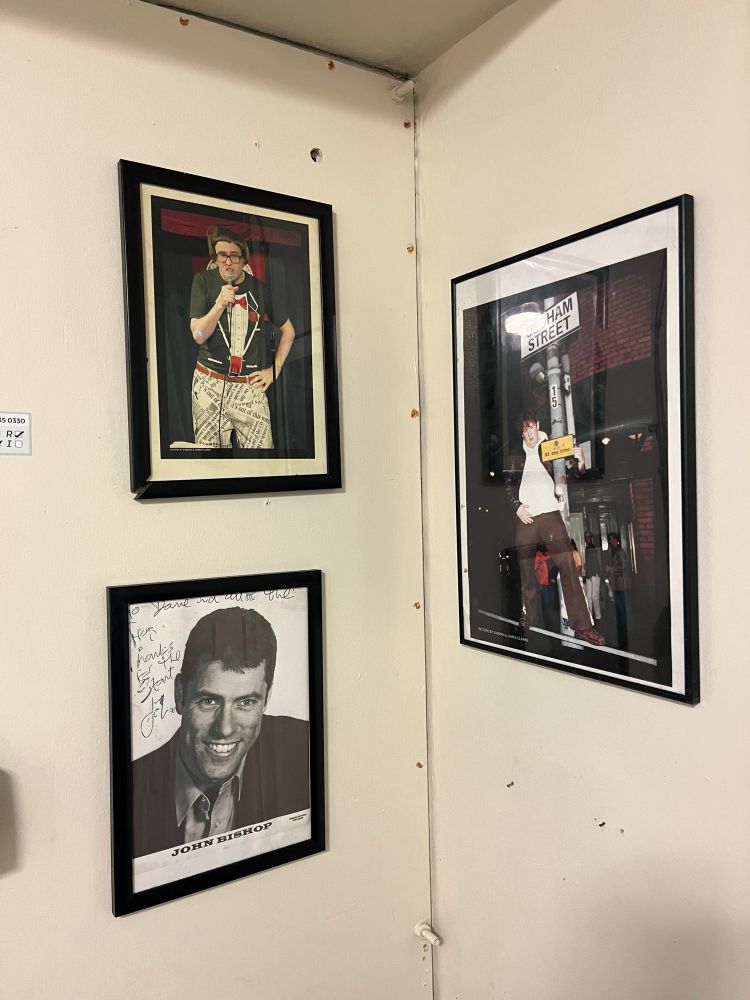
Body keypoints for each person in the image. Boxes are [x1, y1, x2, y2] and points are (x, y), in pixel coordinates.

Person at [132, 607, 310, 858]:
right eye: (209, 701)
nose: (225, 728)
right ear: (180, 694)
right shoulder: (131, 789)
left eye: (246, 702)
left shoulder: (308, 749)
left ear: (266, 699)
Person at [189, 226, 296, 449]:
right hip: (210, 384)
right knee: (210, 464)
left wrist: (273, 370)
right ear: (216, 257)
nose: (228, 262)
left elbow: (288, 332)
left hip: (249, 386)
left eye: (234, 256)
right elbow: (198, 335)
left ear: (243, 258)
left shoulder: (261, 289)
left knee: (262, 462)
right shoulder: (203, 281)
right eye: (222, 255)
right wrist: (219, 304)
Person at [503, 411, 605, 645]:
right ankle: (530, 614)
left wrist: (580, 462)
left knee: (568, 565)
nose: (529, 434)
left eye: (532, 428)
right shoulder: (516, 455)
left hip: (549, 513)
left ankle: (583, 626)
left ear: (537, 426)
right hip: (526, 516)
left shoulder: (550, 446)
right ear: (522, 432)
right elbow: (508, 483)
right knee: (526, 568)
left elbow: (569, 473)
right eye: (525, 430)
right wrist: (516, 507)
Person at [605, 531, 631, 649]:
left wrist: (612, 568)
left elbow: (624, 567)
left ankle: (625, 627)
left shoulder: (620, 551)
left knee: (621, 605)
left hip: (621, 582)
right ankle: (621, 625)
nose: (610, 541)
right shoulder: (611, 550)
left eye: (611, 539)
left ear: (616, 539)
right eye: (609, 539)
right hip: (615, 582)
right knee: (618, 604)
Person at [583, 530, 603, 621]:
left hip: (594, 575)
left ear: (591, 538)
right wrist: (586, 566)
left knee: (595, 597)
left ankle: (598, 616)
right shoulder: (587, 548)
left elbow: (596, 562)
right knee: (588, 597)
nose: (587, 539)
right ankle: (590, 616)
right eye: (586, 537)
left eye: (588, 537)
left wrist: (593, 573)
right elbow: (590, 562)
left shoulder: (593, 548)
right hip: (589, 575)